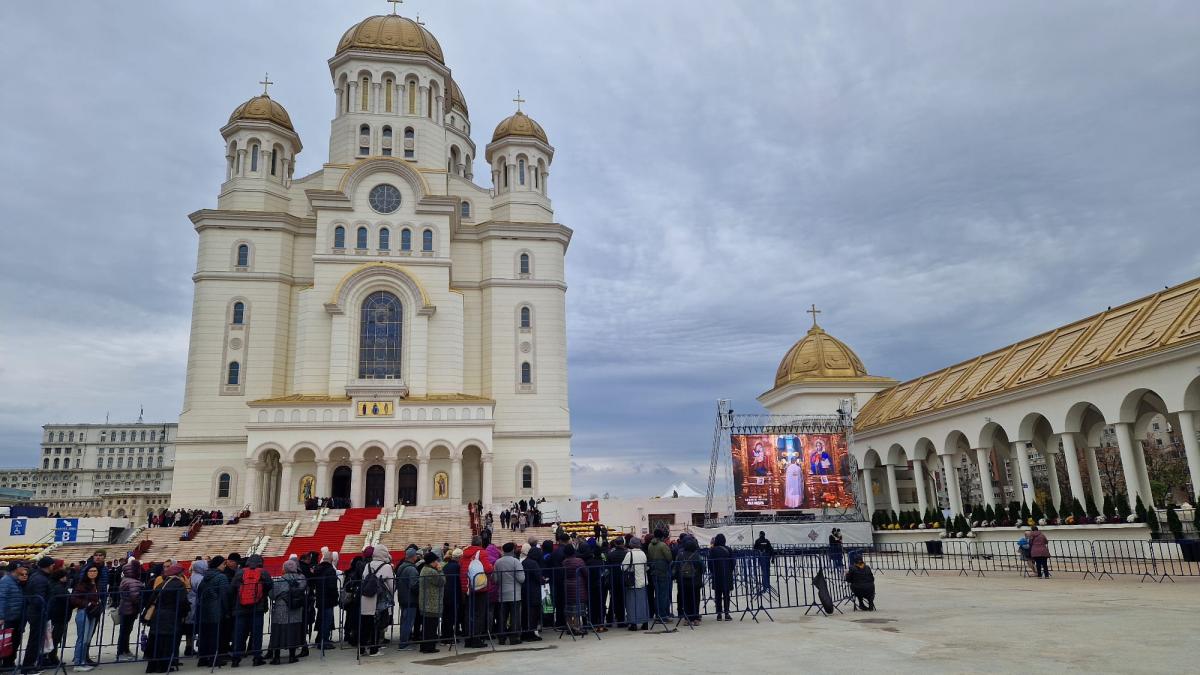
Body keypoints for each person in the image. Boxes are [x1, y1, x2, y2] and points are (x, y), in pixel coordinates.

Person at [145, 563, 189, 673]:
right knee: (167, 642)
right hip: (171, 615)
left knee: (156, 641)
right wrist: (184, 613)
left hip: (158, 615)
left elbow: (151, 600)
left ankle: (152, 666)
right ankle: (163, 666)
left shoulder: (162, 584)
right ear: (179, 574)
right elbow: (183, 601)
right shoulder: (179, 584)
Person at [230, 554, 272, 666]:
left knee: (239, 633)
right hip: (257, 606)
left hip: (240, 607)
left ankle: (236, 658)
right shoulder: (263, 572)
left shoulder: (240, 572)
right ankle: (257, 657)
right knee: (257, 633)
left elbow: (233, 587)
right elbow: (269, 585)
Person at [266, 559, 306, 664]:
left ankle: (276, 657)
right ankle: (292, 656)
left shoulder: (280, 580)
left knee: (278, 632)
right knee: (293, 632)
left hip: (281, 609)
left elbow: (272, 595)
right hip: (295, 609)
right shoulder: (301, 579)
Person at [358, 545, 394, 657]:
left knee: (365, 624)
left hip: (366, 598)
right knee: (377, 626)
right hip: (379, 600)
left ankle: (362, 649)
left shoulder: (368, 565)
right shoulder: (387, 567)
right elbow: (392, 585)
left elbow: (364, 579)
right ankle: (374, 649)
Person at [195, 555, 231, 668]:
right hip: (216, 609)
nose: (225, 566)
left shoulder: (205, 576)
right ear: (218, 565)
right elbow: (225, 595)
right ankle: (214, 659)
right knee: (216, 635)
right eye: (223, 564)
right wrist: (227, 610)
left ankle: (203, 659)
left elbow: (199, 591)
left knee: (205, 635)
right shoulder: (221, 577)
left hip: (204, 609)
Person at [22, 557, 54, 674]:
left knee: (37, 640)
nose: (53, 567)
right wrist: (45, 609)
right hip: (37, 613)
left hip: (37, 612)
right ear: (48, 565)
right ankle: (27, 667)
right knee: (35, 640)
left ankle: (30, 664)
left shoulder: (39, 576)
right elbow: (38, 598)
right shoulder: (39, 579)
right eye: (52, 565)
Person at [460, 536, 493, 649]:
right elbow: (488, 568)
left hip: (467, 586)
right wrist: (492, 567)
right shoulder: (482, 552)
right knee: (479, 614)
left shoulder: (464, 553)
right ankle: (476, 639)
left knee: (469, 613)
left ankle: (468, 639)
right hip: (479, 587)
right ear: (481, 544)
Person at [70, 565, 102, 671]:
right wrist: (88, 604)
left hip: (93, 613)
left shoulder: (96, 584)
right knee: (82, 639)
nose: (93, 572)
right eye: (91, 571)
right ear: (86, 572)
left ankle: (82, 661)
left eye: (95, 571)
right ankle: (78, 663)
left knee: (87, 639)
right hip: (84, 612)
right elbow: (74, 599)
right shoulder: (82, 584)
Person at [493, 542, 525, 645]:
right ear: (512, 550)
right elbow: (521, 578)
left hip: (502, 592)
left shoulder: (497, 562)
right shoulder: (516, 561)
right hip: (515, 593)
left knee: (502, 616)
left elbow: (495, 579)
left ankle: (501, 638)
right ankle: (514, 637)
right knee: (515, 616)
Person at [0, 565, 27, 671]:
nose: (24, 570)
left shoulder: (17, 581)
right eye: (22, 568)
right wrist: (1, 616)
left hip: (17, 616)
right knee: (6, 642)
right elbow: (2, 598)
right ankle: (5, 663)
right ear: (16, 569)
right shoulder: (6, 581)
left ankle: (9, 663)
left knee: (15, 641)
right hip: (9, 617)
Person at [115, 560, 144, 662]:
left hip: (126, 608)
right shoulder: (133, 582)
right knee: (125, 631)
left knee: (125, 631)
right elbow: (135, 596)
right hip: (130, 609)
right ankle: (121, 652)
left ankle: (125, 650)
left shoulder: (126, 579)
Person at [417, 552, 444, 654]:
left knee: (427, 626)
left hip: (426, 602)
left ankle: (424, 646)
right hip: (432, 603)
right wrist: (440, 571)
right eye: (436, 561)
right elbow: (442, 581)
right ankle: (429, 647)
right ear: (432, 562)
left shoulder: (425, 569)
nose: (437, 562)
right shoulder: (432, 572)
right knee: (431, 627)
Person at [312, 552, 339, 650]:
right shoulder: (330, 570)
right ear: (331, 559)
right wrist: (336, 597)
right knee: (327, 620)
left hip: (320, 597)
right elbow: (332, 586)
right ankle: (324, 641)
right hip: (328, 598)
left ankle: (320, 639)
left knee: (321, 619)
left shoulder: (318, 569)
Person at [620, 537, 649, 631]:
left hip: (633, 582)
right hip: (643, 580)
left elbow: (623, 567)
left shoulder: (630, 554)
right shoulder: (643, 553)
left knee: (632, 604)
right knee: (642, 603)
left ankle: (633, 623)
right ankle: (645, 622)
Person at [394, 548, 420, 650]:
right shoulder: (412, 569)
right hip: (410, 598)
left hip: (403, 597)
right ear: (413, 557)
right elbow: (414, 585)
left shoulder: (401, 566)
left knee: (404, 620)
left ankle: (403, 641)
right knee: (408, 622)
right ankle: (404, 643)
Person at [675, 538, 705, 624]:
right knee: (695, 599)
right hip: (695, 581)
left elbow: (677, 567)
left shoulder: (680, 555)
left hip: (683, 581)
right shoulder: (697, 556)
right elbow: (703, 567)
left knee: (686, 599)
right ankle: (695, 618)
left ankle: (687, 618)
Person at [646, 530, 673, 621]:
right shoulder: (663, 545)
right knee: (663, 594)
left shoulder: (650, 545)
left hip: (653, 571)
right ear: (662, 536)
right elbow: (669, 557)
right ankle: (663, 615)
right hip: (663, 571)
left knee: (657, 594)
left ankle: (658, 614)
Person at [519, 542, 543, 642]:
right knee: (533, 613)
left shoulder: (524, 562)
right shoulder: (534, 563)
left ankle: (525, 632)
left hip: (524, 590)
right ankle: (531, 633)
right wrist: (543, 580)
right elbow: (538, 577)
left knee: (525, 612)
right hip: (533, 591)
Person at [561, 545, 587, 635]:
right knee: (577, 609)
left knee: (569, 608)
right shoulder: (579, 561)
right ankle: (577, 627)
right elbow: (585, 573)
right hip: (578, 586)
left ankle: (569, 627)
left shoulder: (564, 562)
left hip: (567, 586)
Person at [708, 533, 734, 621]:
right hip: (727, 575)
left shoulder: (712, 550)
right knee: (726, 594)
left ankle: (719, 614)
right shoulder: (729, 549)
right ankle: (726, 613)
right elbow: (733, 563)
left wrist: (713, 572)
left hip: (717, 575)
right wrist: (729, 571)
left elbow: (710, 563)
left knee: (718, 595)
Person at [440, 549, 462, 644]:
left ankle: (445, 636)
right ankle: (449, 637)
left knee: (445, 616)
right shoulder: (457, 566)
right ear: (459, 557)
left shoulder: (446, 566)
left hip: (445, 594)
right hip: (453, 594)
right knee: (451, 617)